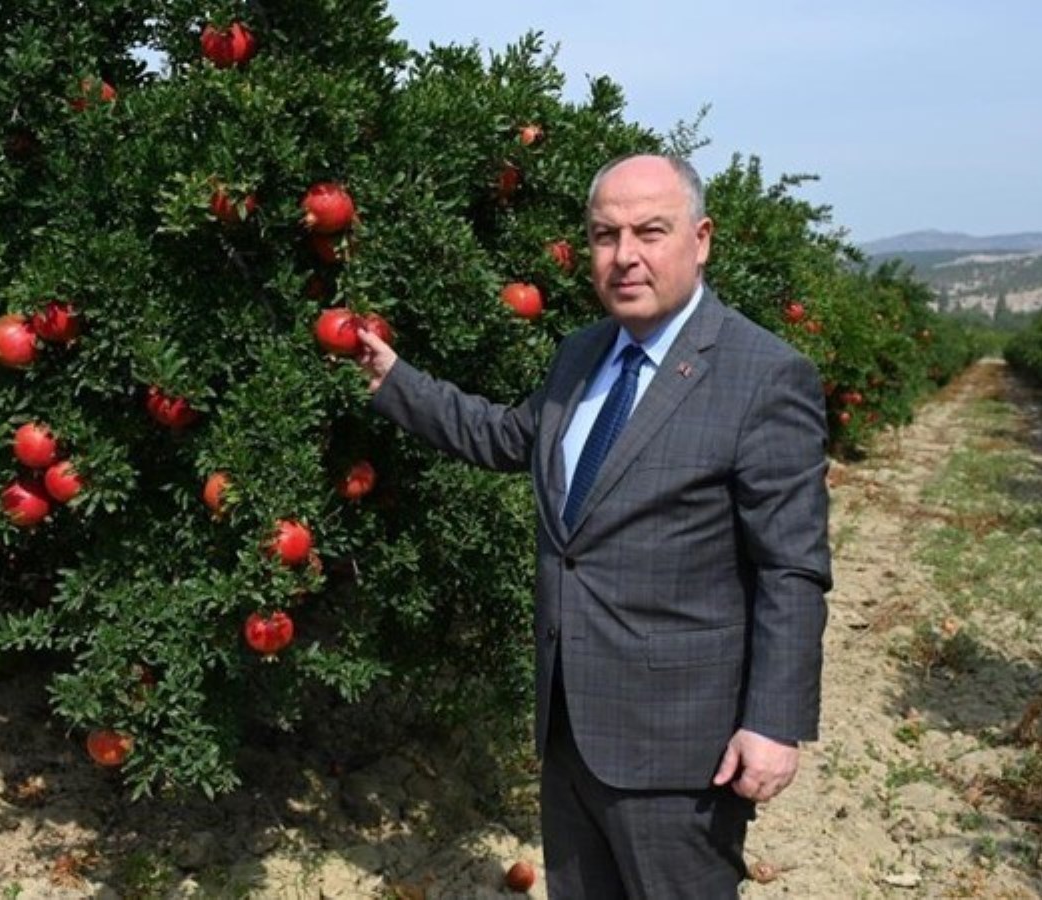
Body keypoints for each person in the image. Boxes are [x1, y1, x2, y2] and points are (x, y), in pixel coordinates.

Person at [355, 153, 831, 898]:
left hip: (682, 747)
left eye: (650, 231)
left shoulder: (762, 376)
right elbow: (511, 437)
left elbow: (790, 568)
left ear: (700, 239)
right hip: (572, 726)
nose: (625, 255)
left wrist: (774, 723)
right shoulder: (582, 354)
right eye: (605, 236)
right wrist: (397, 383)